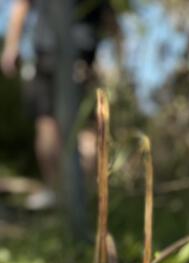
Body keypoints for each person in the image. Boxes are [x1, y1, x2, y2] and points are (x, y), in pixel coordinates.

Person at [1, 0, 115, 210]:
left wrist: (11, 45)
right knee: (82, 128)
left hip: (55, 54)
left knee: (49, 123)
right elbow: (111, 21)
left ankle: (61, 194)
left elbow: (22, 5)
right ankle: (83, 196)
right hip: (80, 58)